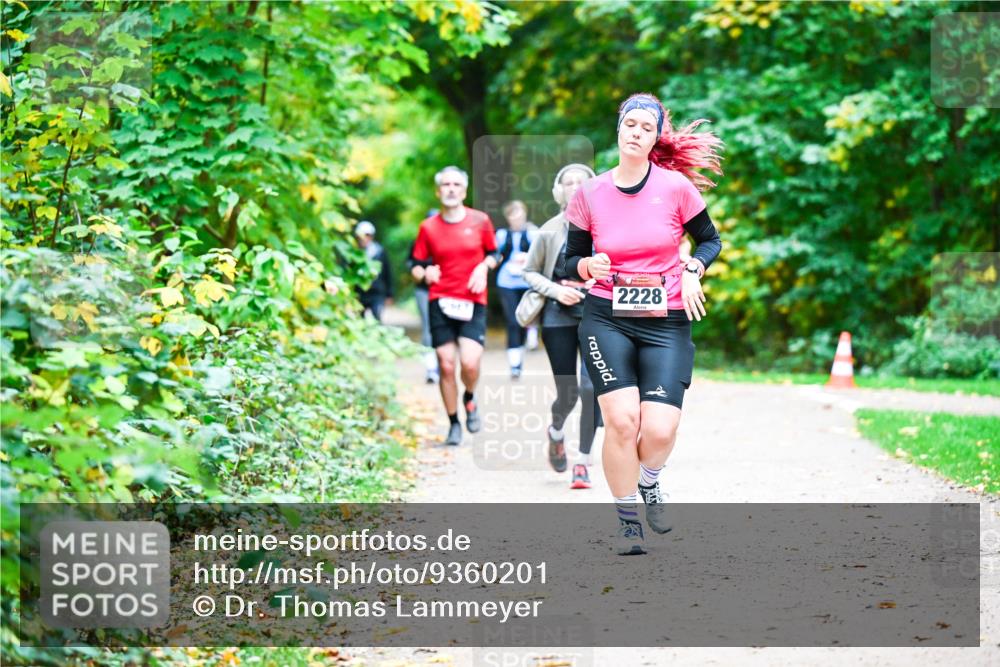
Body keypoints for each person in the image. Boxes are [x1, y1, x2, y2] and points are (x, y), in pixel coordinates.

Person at [564, 92, 723, 555]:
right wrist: (586, 268)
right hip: (606, 317)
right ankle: (628, 519)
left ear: (655, 138)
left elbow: (709, 242)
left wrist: (693, 269)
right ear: (618, 129)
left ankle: (650, 480)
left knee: (658, 431)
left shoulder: (675, 188)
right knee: (621, 420)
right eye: (629, 124)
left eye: (645, 127)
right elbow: (571, 257)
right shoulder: (589, 193)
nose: (636, 132)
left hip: (667, 319)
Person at [523, 163, 604, 488]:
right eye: (567, 182)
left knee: (591, 387)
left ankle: (582, 462)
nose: (574, 186)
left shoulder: (606, 226)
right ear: (560, 191)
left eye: (580, 181)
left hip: (596, 314)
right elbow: (529, 272)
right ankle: (556, 430)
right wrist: (558, 290)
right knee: (568, 392)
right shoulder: (547, 230)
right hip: (557, 317)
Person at [411, 166, 499, 446]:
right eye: (445, 185)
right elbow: (415, 265)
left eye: (456, 184)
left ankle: (469, 398)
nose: (450, 189)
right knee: (446, 365)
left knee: (469, 363)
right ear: (438, 192)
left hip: (472, 300)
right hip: (440, 300)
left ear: (463, 190)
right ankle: (453, 423)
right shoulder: (428, 227)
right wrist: (425, 274)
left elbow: (494, 254)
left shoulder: (480, 221)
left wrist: (484, 268)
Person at [495, 200, 538, 379]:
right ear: (508, 217)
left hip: (528, 282)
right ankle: (515, 364)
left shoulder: (533, 233)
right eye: (513, 214)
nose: (517, 218)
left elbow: (542, 254)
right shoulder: (502, 235)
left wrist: (526, 258)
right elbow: (494, 255)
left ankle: (531, 337)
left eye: (519, 213)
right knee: (513, 322)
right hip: (507, 282)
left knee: (526, 319)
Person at [409, 210, 441, 385]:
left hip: (447, 290)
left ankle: (443, 365)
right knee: (428, 326)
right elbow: (412, 265)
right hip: (424, 290)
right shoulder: (418, 242)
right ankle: (431, 367)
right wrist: (423, 274)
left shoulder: (450, 238)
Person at [354, 220, 393, 322]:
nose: (364, 238)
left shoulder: (380, 252)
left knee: (377, 319)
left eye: (367, 235)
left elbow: (387, 273)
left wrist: (389, 294)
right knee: (359, 321)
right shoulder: (353, 253)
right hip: (359, 293)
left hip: (377, 292)